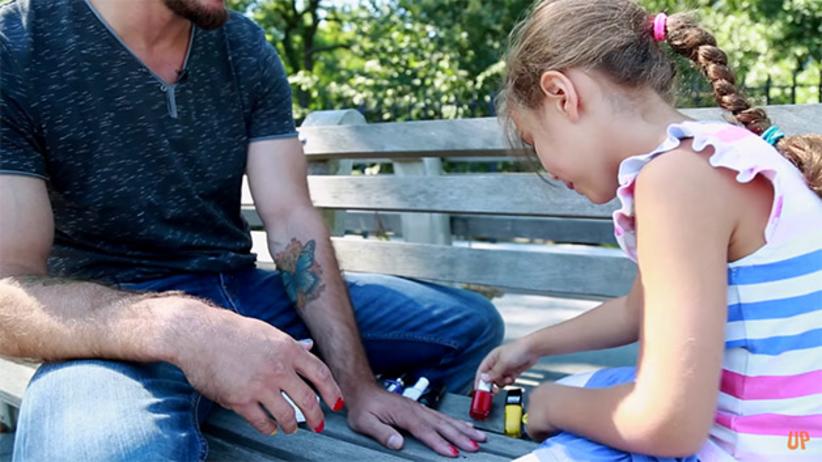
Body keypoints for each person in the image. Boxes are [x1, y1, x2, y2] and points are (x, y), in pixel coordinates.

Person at [0, 0, 504, 460]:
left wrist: (359, 384)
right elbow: (9, 292)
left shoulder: (242, 44)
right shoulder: (18, 45)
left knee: (469, 326)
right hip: (111, 325)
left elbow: (289, 219)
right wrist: (186, 332)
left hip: (239, 289)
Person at [475, 0, 822, 460]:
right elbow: (639, 310)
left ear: (562, 94)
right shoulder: (721, 152)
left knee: (567, 403)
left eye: (533, 139)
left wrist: (549, 405)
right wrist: (533, 345)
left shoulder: (675, 180)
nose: (545, 166)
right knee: (587, 385)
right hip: (796, 430)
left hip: (759, 444)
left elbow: (666, 425)